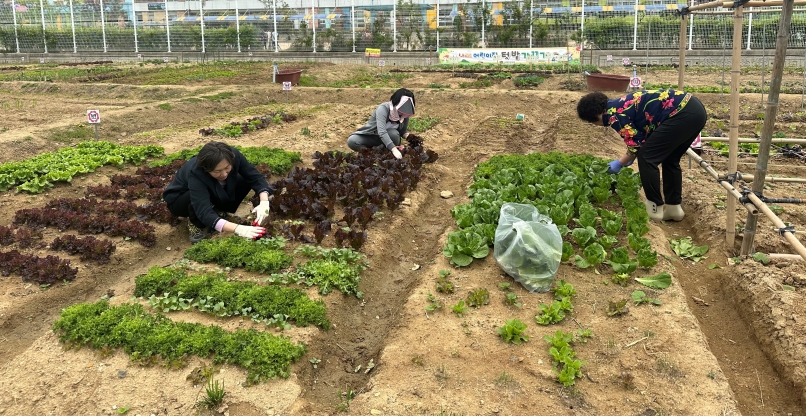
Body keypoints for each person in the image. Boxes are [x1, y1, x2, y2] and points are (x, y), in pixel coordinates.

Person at [576, 89, 707, 222]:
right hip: (695, 110)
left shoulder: (614, 115)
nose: (597, 125)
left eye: (593, 123)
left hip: (681, 114)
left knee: (646, 158)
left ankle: (654, 208)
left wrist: (620, 162)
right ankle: (674, 209)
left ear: (595, 116)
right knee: (670, 159)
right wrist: (629, 157)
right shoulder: (618, 104)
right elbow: (640, 139)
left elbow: (636, 146)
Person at [163, 141, 271, 244]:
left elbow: (255, 177)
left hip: (210, 190)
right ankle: (195, 223)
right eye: (217, 171)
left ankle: (219, 211)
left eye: (227, 168)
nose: (224, 174)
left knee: (244, 179)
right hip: (179, 200)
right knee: (195, 197)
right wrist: (238, 229)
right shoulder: (196, 173)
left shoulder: (234, 155)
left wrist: (264, 202)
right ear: (207, 169)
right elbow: (203, 211)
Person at [347, 88, 416, 159]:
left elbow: (403, 130)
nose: (403, 111)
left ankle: (384, 151)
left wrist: (410, 137)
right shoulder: (383, 109)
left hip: (390, 138)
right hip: (373, 136)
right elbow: (381, 131)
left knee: (394, 134)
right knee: (352, 141)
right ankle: (370, 153)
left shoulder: (405, 114)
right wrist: (393, 149)